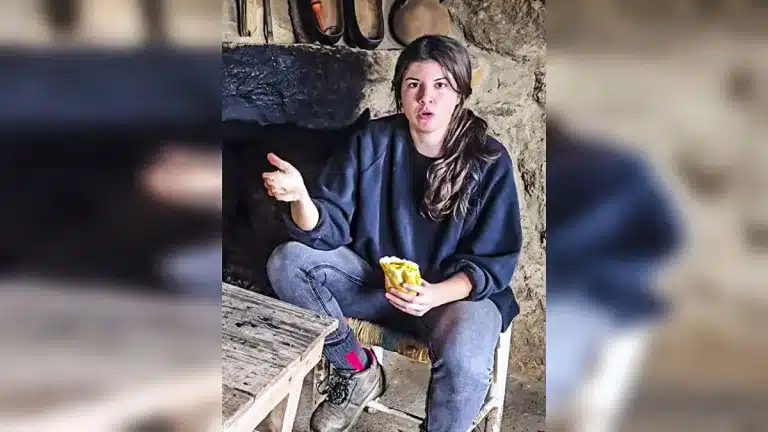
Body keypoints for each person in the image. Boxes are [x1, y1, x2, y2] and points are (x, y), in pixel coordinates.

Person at [262, 35, 522, 432]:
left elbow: (492, 262)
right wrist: (301, 197)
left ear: (459, 93)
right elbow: (328, 225)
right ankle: (356, 368)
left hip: (452, 298)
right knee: (287, 261)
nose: (426, 98)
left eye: (441, 85)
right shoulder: (372, 142)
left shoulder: (488, 160)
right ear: (399, 91)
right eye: (414, 84)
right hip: (376, 284)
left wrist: (434, 294)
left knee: (468, 364)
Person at [546, 118, 681, 431]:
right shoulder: (623, 169)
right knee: (589, 413)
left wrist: (604, 274)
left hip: (607, 306)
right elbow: (667, 239)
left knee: (589, 411)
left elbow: (666, 239)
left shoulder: (622, 172)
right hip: (605, 305)